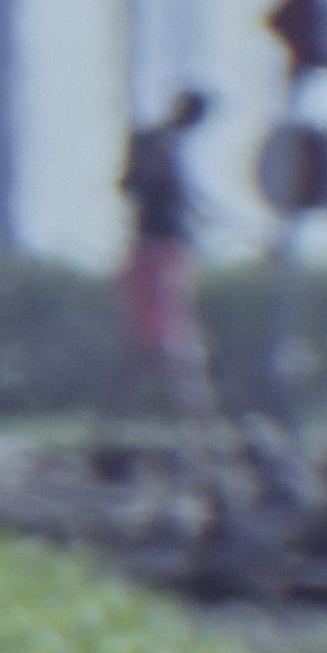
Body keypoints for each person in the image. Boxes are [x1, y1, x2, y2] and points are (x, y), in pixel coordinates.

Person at [118, 89, 212, 412]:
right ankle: (124, 419)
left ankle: (195, 421)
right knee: (157, 340)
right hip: (152, 247)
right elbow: (129, 186)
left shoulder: (174, 148)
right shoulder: (151, 142)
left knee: (172, 335)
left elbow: (185, 200)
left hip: (170, 247)